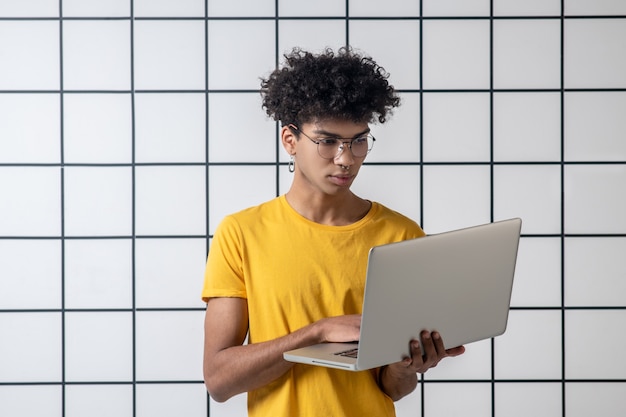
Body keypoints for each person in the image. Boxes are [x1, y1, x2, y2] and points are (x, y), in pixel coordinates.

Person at [202, 47, 465, 417]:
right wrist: (316, 333)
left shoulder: (401, 234)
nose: (346, 158)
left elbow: (393, 388)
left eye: (358, 140)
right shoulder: (241, 233)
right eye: (327, 141)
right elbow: (219, 379)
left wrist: (407, 366)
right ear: (290, 141)